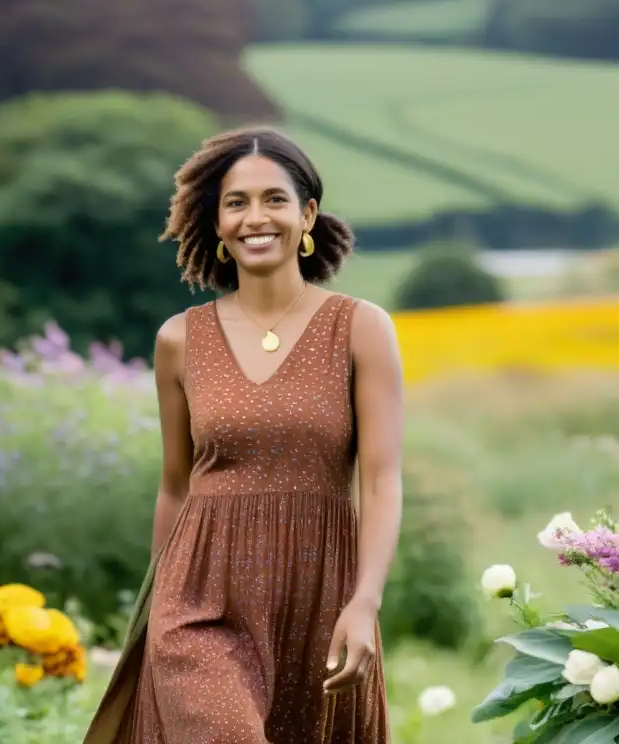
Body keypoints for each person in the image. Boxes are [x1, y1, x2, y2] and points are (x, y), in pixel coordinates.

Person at [84, 126, 403, 743]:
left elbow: (383, 479)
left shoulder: (360, 329)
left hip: (319, 596)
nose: (256, 217)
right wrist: (152, 621)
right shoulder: (179, 339)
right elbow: (174, 486)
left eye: (274, 199)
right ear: (218, 223)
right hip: (198, 599)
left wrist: (365, 602)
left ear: (306, 214)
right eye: (236, 202)